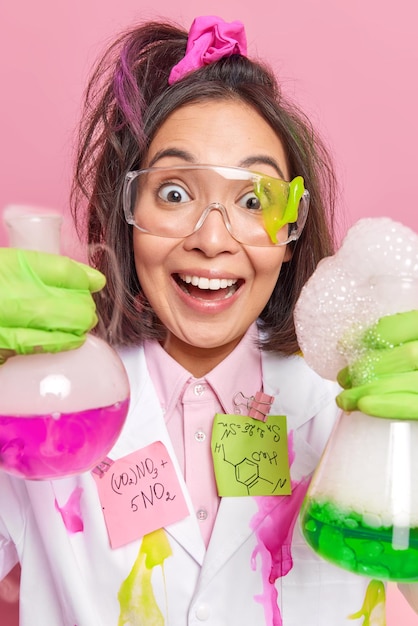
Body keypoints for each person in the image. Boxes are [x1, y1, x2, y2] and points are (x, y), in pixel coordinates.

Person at [1, 14, 418, 626]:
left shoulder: (353, 409)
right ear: (128, 213)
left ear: (292, 234)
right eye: (174, 193)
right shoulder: (43, 409)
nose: (213, 240)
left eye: (255, 201)